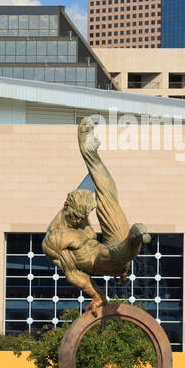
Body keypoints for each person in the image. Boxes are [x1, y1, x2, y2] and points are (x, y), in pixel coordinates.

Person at [43, 118, 150, 313]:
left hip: (110, 249)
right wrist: (97, 296)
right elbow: (74, 274)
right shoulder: (54, 240)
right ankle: (135, 236)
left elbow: (95, 207)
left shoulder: (80, 216)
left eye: (85, 215)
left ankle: (89, 151)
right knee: (115, 252)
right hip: (99, 260)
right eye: (79, 216)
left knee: (108, 195)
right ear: (66, 208)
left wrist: (124, 269)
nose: (83, 220)